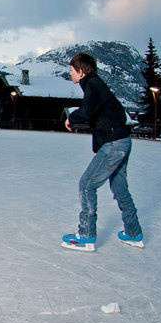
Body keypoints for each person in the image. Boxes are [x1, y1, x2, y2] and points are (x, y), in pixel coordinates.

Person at [62, 53, 143, 251]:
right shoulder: (95, 85)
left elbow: (88, 112)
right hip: (121, 141)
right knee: (119, 188)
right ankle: (134, 233)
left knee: (87, 184)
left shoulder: (93, 85)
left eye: (71, 70)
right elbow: (99, 119)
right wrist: (98, 149)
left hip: (114, 144)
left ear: (81, 72)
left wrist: (70, 119)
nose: (69, 73)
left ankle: (87, 235)